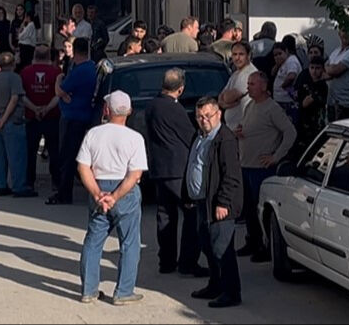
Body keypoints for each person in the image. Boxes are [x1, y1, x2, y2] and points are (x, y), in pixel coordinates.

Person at [76, 91, 148, 305]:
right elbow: (135, 174)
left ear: (106, 110)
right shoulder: (135, 138)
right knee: (129, 242)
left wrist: (99, 194)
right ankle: (123, 291)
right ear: (129, 111)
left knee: (94, 240)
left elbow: (83, 167)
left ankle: (88, 290)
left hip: (99, 186)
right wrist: (115, 196)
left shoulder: (93, 134)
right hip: (124, 190)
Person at [184, 98, 243, 309]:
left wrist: (223, 202)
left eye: (208, 116)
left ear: (218, 114)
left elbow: (232, 175)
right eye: (200, 116)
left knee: (222, 249)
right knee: (207, 245)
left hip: (218, 205)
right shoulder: (200, 136)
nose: (203, 120)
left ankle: (231, 292)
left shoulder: (224, 139)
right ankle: (215, 285)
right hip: (201, 202)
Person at [146, 69, 205, 276]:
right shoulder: (174, 109)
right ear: (180, 89)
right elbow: (189, 136)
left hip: (159, 169)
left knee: (165, 215)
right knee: (192, 215)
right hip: (178, 170)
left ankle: (167, 261)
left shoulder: (152, 105)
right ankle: (188, 262)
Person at [234, 72, 296, 262]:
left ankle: (266, 246)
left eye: (252, 84)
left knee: (261, 210)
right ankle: (252, 241)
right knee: (249, 209)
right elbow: (247, 125)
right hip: (246, 164)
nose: (248, 87)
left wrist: (276, 157)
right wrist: (240, 131)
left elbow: (290, 132)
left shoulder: (272, 108)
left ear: (263, 86)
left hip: (261, 169)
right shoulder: (251, 105)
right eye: (248, 84)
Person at [49, 37, 96, 205]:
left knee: (67, 156)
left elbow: (59, 91)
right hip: (82, 116)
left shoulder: (80, 70)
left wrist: (59, 79)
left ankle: (64, 193)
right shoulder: (91, 67)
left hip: (73, 118)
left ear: (75, 51)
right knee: (74, 155)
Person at [0, 52, 37, 198]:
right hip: (12, 121)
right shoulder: (15, 78)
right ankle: (19, 186)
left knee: (0, 157)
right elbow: (15, 99)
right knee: (17, 156)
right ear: (13, 64)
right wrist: (5, 119)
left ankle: (1, 185)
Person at [19, 45, 61, 194]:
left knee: (30, 151)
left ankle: (29, 181)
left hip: (32, 116)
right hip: (52, 116)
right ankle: (56, 181)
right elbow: (58, 95)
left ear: (34, 56)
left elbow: (21, 95)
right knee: (54, 151)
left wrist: (34, 108)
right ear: (49, 56)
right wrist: (47, 108)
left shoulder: (25, 72)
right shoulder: (56, 72)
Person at [291, 55, 328, 160]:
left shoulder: (321, 86)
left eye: (317, 68)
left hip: (315, 123)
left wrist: (302, 102)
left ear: (322, 69)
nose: (314, 71)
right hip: (301, 121)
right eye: (312, 68)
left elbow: (306, 103)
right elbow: (295, 94)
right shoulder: (304, 78)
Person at [325, 29, 349, 121]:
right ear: (339, 34)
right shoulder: (336, 51)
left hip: (345, 105)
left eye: (348, 30)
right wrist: (330, 69)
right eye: (343, 31)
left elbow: (335, 70)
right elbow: (326, 69)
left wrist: (331, 69)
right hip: (332, 102)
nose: (346, 34)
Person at [217, 42, 255, 130]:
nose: (237, 58)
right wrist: (224, 102)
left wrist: (225, 100)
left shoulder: (249, 74)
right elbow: (221, 97)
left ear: (248, 55)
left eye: (241, 54)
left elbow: (228, 98)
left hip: (242, 128)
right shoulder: (235, 74)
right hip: (232, 127)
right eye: (234, 54)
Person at [271, 41, 302, 122]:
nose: (278, 57)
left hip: (287, 102)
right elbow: (272, 73)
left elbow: (291, 76)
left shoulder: (291, 61)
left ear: (286, 51)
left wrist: (283, 86)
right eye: (275, 55)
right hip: (280, 100)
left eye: (280, 53)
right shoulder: (283, 62)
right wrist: (277, 64)